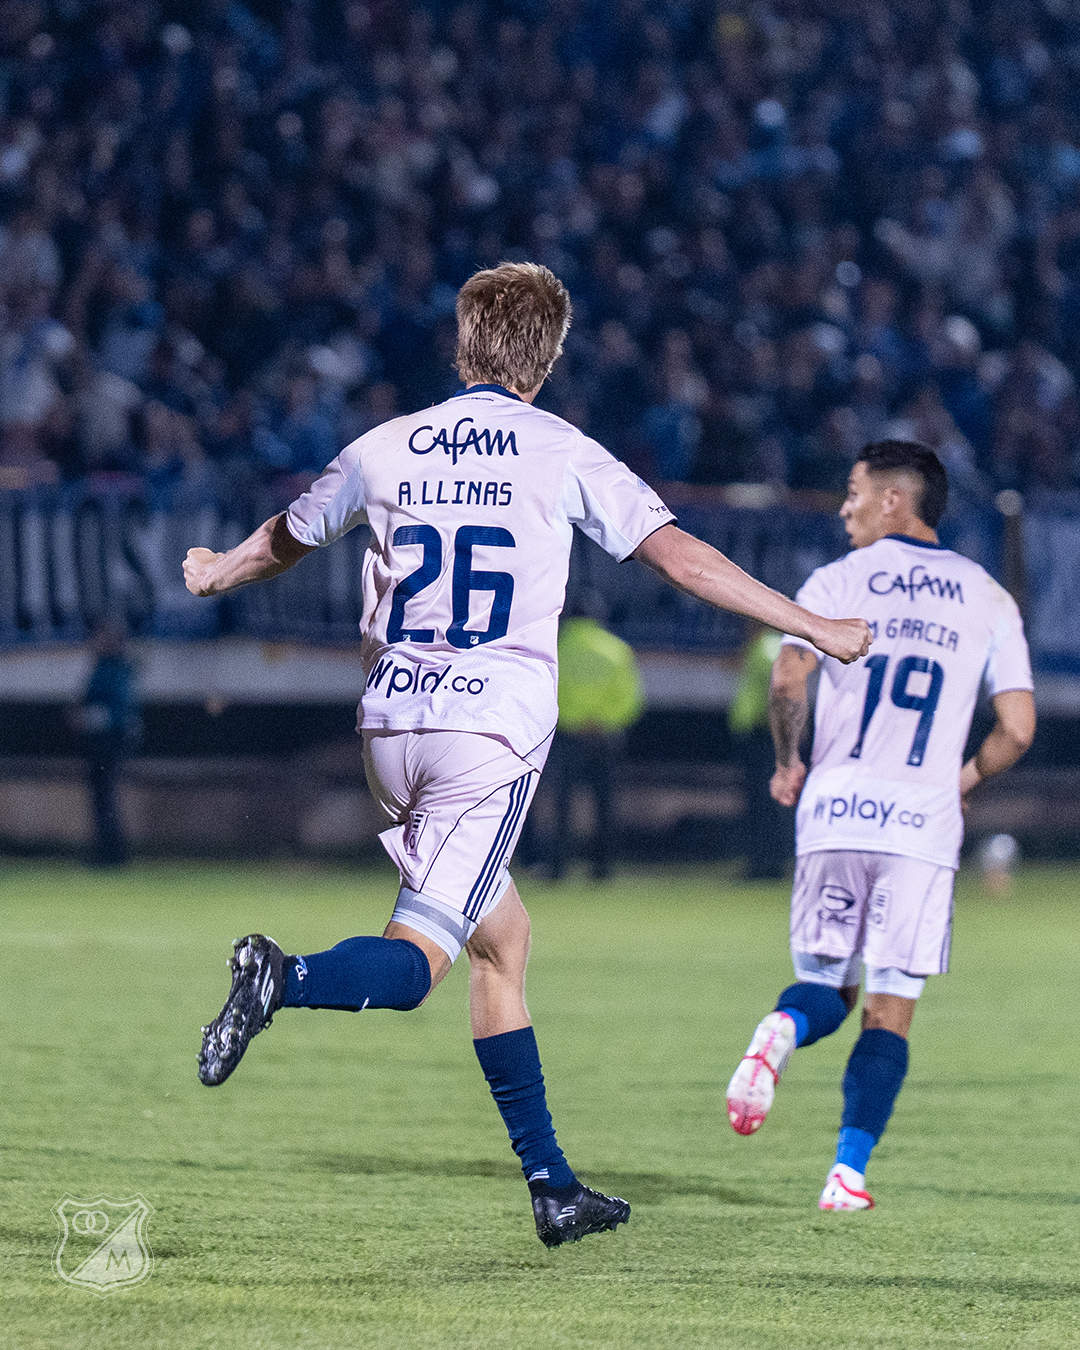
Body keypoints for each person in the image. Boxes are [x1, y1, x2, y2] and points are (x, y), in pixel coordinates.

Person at [183, 262, 871, 1248]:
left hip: (389, 727)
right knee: (418, 963)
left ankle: (553, 1186)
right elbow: (680, 557)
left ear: (463, 346)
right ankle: (278, 978)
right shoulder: (561, 451)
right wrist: (814, 624)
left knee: (501, 941)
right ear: (546, 360)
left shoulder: (385, 446)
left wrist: (216, 572)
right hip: (485, 738)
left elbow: (286, 536)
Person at [724, 440, 1035, 1211]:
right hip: (919, 827)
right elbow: (1017, 728)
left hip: (835, 811)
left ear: (895, 499)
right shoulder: (987, 596)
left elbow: (788, 677)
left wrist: (789, 761)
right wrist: (963, 779)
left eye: (854, 492)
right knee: (889, 1009)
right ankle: (847, 1175)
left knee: (824, 987)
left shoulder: (835, 580)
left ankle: (780, 1031)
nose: (843, 508)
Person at [546, 603, 644, 881]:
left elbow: (547, 694)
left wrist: (575, 721)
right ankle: (602, 867)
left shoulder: (556, 648)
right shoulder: (617, 649)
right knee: (605, 804)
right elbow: (629, 698)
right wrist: (602, 721)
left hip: (567, 735)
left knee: (562, 804)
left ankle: (557, 866)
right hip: (606, 736)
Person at [73, 623, 141, 866]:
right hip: (101, 739)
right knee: (102, 797)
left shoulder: (116, 669)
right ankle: (107, 850)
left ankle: (111, 853)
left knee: (106, 796)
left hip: (111, 739)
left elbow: (117, 711)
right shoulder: (105, 666)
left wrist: (85, 717)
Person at [728, 626, 791, 880]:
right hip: (764, 734)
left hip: (765, 734)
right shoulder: (765, 647)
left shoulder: (767, 648)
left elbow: (779, 690)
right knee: (764, 801)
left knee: (764, 802)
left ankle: (766, 863)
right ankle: (766, 861)